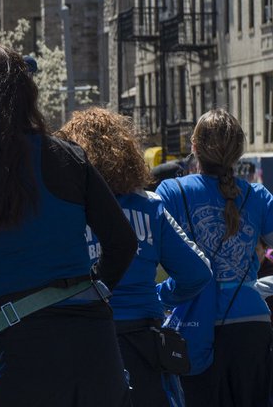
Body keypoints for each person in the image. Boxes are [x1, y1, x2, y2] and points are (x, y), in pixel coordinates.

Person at [0, 43, 136, 406]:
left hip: (17, 357)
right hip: (95, 347)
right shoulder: (68, 157)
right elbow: (123, 243)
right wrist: (87, 290)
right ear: (25, 93)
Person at [58, 108, 211, 407]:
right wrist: (160, 295)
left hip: (85, 343)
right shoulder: (150, 206)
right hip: (144, 345)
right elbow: (197, 273)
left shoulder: (67, 212)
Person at [155, 108, 273, 406]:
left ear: (194, 146)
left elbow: (145, 256)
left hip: (195, 327)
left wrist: (160, 296)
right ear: (239, 151)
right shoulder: (259, 196)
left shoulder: (171, 192)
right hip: (253, 324)